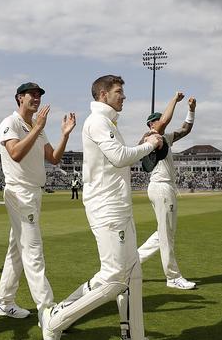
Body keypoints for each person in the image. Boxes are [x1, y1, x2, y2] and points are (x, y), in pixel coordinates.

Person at [40, 75, 163, 340]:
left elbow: (118, 154)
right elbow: (119, 157)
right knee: (115, 279)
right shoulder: (97, 121)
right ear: (102, 95)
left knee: (133, 273)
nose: (124, 96)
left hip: (119, 206)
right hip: (106, 208)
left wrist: (142, 143)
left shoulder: (107, 122)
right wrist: (149, 144)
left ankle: (133, 334)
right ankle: (55, 321)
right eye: (119, 91)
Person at [0, 83, 76, 330]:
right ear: (20, 97)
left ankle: (4, 301)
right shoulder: (10, 122)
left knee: (17, 251)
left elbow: (53, 158)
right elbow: (15, 152)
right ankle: (48, 311)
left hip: (34, 192)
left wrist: (65, 134)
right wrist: (37, 127)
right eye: (33, 94)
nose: (37, 98)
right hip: (19, 192)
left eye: (40, 95)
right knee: (33, 250)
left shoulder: (37, 129)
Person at [136, 92, 197, 290]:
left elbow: (185, 130)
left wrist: (191, 110)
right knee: (167, 234)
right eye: (155, 121)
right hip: (161, 187)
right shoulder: (148, 138)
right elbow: (164, 121)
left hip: (165, 187)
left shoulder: (164, 138)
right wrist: (174, 100)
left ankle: (130, 263)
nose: (158, 123)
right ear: (150, 125)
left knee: (163, 232)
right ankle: (172, 276)